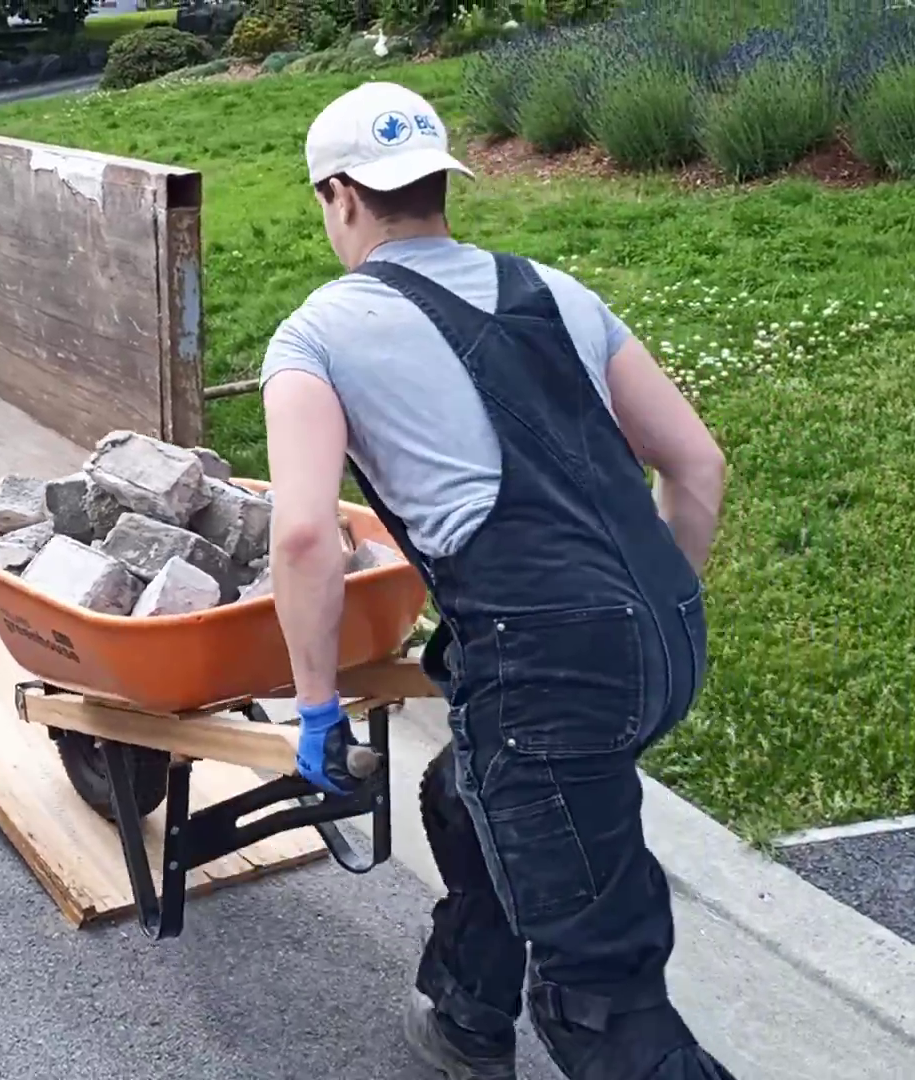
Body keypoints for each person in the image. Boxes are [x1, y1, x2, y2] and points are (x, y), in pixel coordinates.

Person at [260, 82, 734, 1080]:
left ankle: (553, 1020)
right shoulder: (557, 289)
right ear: (440, 184)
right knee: (467, 792)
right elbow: (697, 468)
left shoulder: (319, 333)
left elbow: (303, 537)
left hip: (550, 672)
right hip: (667, 635)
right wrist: (641, 616)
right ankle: (469, 1015)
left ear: (341, 196)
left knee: (599, 1001)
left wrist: (314, 712)